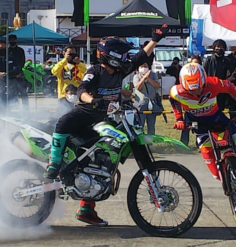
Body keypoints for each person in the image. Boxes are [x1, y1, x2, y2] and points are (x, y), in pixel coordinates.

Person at [43, 24, 169, 226]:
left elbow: (140, 57)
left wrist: (155, 39)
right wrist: (93, 101)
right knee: (64, 121)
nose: (126, 58)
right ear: (110, 56)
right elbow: (81, 91)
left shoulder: (121, 70)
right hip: (86, 115)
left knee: (103, 162)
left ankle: (86, 209)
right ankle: (54, 163)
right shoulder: (95, 71)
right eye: (122, 54)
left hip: (106, 119)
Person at [0, 39, 21, 113]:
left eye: (5, 48)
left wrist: (4, 74)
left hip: (11, 89)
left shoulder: (13, 59)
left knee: (13, 110)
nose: (3, 50)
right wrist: (9, 74)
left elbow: (17, 71)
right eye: (1, 48)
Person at [203, 39, 232, 111]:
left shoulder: (227, 61)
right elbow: (204, 73)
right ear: (214, 48)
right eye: (218, 47)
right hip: (210, 87)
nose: (219, 49)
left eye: (222, 47)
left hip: (221, 88)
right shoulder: (209, 60)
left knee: (220, 108)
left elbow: (228, 74)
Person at [133, 62, 161, 135]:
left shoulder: (153, 75)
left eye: (145, 66)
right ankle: (141, 143)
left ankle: (150, 143)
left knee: (151, 126)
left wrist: (148, 78)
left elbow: (157, 85)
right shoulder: (136, 76)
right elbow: (138, 87)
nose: (144, 67)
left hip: (152, 104)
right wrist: (143, 78)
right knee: (140, 125)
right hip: (140, 104)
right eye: (142, 66)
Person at [180, 55, 202, 147]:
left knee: (200, 127)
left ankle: (200, 143)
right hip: (189, 105)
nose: (195, 65)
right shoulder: (186, 75)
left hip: (200, 105)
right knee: (186, 126)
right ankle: (183, 144)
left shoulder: (202, 75)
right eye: (193, 63)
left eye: (197, 63)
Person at [8, 34, 28, 115]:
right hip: (10, 75)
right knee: (10, 93)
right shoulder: (7, 50)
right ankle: (10, 109)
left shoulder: (20, 50)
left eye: (14, 40)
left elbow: (22, 62)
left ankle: (26, 110)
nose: (13, 41)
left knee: (23, 92)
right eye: (11, 40)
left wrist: (19, 72)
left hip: (19, 73)